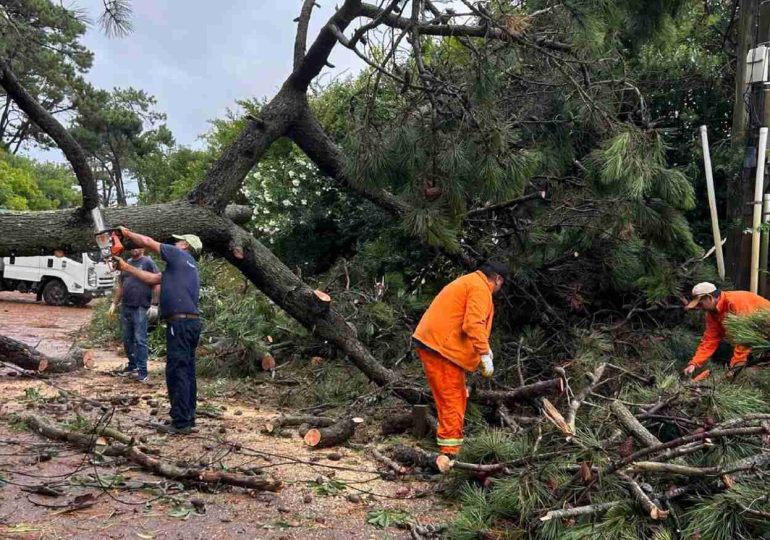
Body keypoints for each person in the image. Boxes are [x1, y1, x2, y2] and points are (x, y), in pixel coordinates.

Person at [412, 261, 508, 456]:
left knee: (452, 398)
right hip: (441, 350)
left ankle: (448, 449)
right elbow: (473, 324)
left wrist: (484, 351)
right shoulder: (480, 288)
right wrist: (483, 352)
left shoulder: (470, 282)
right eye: (502, 284)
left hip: (438, 346)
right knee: (452, 400)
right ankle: (450, 454)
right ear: (498, 279)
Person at [115, 228, 202, 435]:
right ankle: (188, 417)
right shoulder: (186, 268)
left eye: (178, 241)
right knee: (187, 371)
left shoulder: (179, 255)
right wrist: (126, 266)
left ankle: (180, 423)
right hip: (190, 323)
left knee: (176, 371)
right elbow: (152, 279)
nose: (174, 243)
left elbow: (146, 240)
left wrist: (125, 232)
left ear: (186, 246)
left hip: (179, 324)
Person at [683, 282, 770, 378]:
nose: (699, 307)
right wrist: (694, 363)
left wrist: (735, 367)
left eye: (700, 303)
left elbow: (744, 339)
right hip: (760, 340)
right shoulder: (712, 314)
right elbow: (709, 340)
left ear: (709, 298)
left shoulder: (735, 302)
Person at [108, 247, 159, 382]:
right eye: (132, 247)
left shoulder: (148, 262)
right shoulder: (125, 263)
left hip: (141, 307)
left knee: (140, 339)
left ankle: (143, 371)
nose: (134, 249)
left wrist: (154, 304)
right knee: (127, 338)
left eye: (137, 246)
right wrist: (114, 303)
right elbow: (121, 285)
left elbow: (156, 282)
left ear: (142, 248)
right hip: (126, 306)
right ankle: (132, 365)